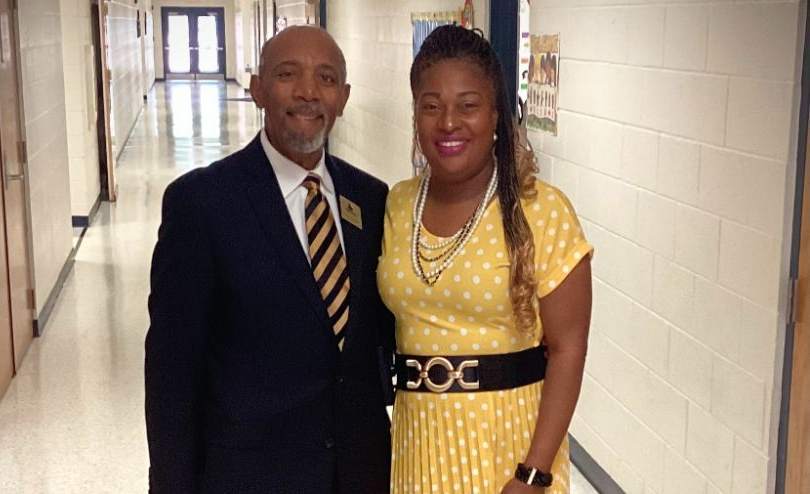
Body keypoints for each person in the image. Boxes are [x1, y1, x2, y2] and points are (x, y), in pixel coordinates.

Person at [145, 25, 394, 493]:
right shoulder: (202, 204)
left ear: (343, 97)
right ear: (258, 89)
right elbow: (171, 374)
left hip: (361, 472)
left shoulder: (372, 199)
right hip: (251, 475)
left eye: (325, 78)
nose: (307, 92)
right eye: (287, 74)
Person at [377, 25, 592, 493]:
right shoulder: (397, 204)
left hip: (507, 447)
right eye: (430, 106)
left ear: (496, 115)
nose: (448, 122)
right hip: (419, 444)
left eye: (468, 105)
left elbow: (568, 349)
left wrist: (533, 474)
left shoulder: (541, 210)